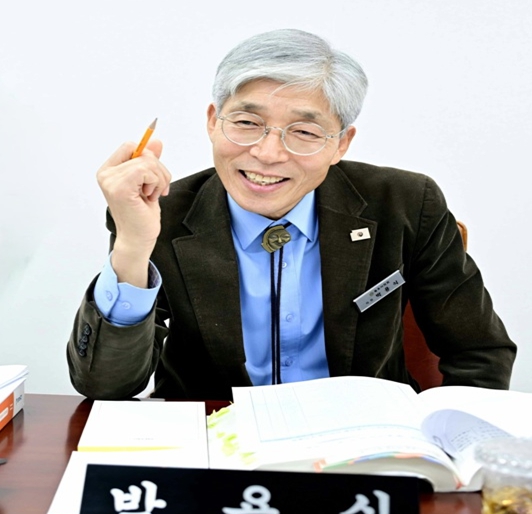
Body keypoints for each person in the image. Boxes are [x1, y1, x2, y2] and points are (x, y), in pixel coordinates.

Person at [67, 29, 516, 400]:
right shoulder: (161, 212)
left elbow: (479, 352)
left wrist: (457, 442)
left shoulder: (405, 204)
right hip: (216, 444)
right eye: (247, 123)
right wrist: (133, 247)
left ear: (341, 144)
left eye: (303, 131)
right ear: (212, 121)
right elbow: (105, 387)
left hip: (364, 443)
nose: (267, 153)